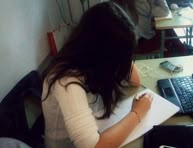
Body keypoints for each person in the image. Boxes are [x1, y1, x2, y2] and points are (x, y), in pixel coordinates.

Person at [41, 2, 153, 148]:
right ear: (100, 51)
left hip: (98, 125)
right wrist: (137, 113)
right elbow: (95, 146)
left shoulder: (90, 62)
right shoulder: (66, 81)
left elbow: (136, 81)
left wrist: (122, 47)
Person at [113, 0, 188, 57]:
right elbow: (165, 12)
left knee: (165, 30)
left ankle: (181, 50)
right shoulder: (141, 2)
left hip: (123, 44)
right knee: (165, 33)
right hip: (137, 45)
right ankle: (181, 52)